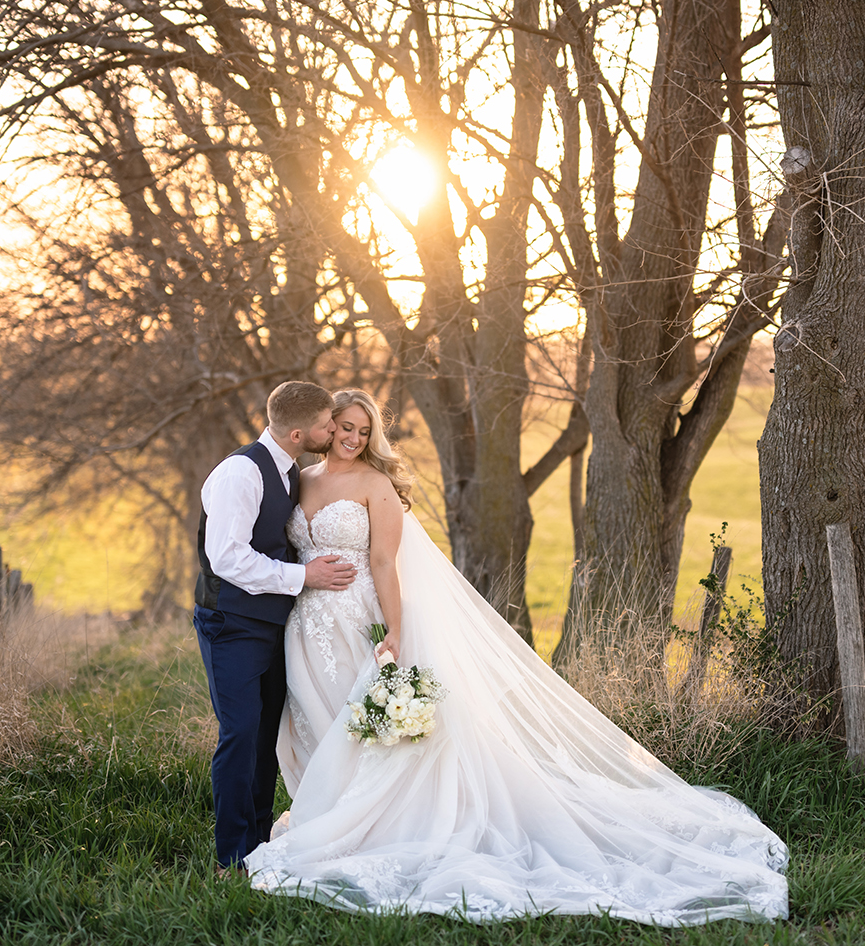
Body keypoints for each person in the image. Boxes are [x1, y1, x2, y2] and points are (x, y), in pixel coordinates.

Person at [246, 389, 790, 925]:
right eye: (346, 427)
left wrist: (396, 631)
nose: (354, 437)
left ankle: (373, 825)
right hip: (307, 626)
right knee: (318, 721)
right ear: (325, 425)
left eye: (365, 431)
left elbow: (385, 563)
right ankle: (333, 813)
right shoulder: (302, 481)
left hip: (363, 621)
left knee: (368, 728)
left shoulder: (375, 484)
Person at [192, 380, 357, 873]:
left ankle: (259, 843)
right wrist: (303, 576)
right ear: (299, 432)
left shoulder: (290, 471)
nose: (334, 430)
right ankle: (230, 856)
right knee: (240, 734)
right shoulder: (241, 473)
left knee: (266, 736)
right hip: (232, 623)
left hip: (272, 624)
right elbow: (226, 557)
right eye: (330, 424)